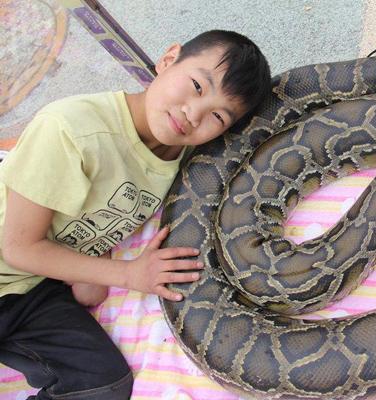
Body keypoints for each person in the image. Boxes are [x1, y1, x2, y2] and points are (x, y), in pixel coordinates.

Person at [0, 30, 271, 399]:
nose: (193, 114)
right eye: (195, 85)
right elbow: (18, 248)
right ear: (168, 58)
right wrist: (127, 273)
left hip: (28, 290)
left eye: (217, 116)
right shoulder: (70, 130)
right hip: (18, 258)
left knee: (103, 385)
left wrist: (92, 262)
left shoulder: (181, 160)